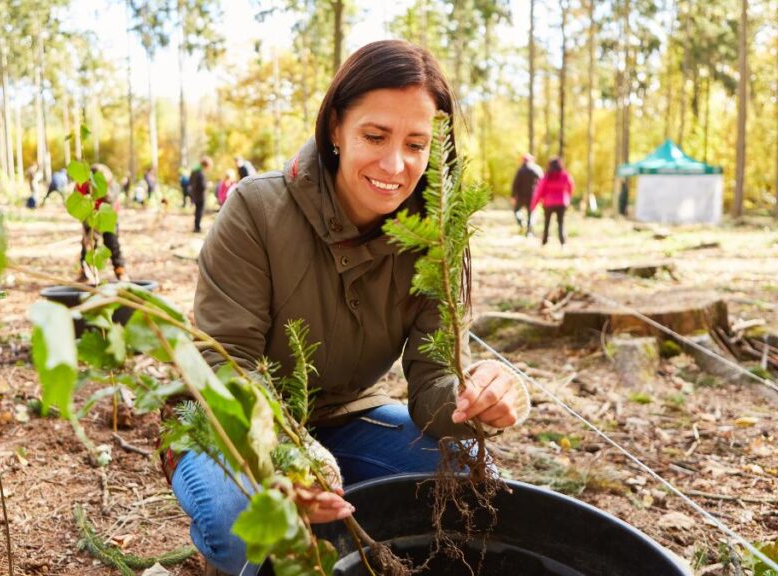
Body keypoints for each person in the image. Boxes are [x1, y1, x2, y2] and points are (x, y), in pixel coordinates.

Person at [168, 40, 531, 575]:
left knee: (470, 477)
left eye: (417, 143)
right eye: (375, 135)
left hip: (344, 415)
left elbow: (433, 385)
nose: (395, 163)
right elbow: (227, 366)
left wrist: (478, 399)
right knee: (241, 524)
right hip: (226, 421)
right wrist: (285, 458)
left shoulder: (436, 240)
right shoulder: (256, 210)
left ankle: (342, 515)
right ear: (336, 127)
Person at [76, 163, 129, 283]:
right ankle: (85, 272)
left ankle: (120, 270)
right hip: (89, 214)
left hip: (108, 214)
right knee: (87, 245)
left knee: (112, 242)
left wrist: (96, 232)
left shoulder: (112, 188)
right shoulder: (82, 186)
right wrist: (88, 233)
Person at [530, 157, 574, 246]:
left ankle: (544, 241)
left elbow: (540, 191)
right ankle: (562, 242)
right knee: (560, 223)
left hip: (548, 202)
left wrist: (533, 205)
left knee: (547, 222)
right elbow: (571, 186)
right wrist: (568, 197)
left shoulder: (547, 176)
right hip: (562, 202)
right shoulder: (565, 175)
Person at [511, 153, 543, 236]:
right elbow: (542, 182)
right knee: (531, 213)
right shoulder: (537, 169)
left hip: (521, 196)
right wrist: (541, 195)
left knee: (516, 210)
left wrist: (513, 196)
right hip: (532, 196)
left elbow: (515, 184)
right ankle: (528, 231)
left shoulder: (520, 170)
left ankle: (521, 223)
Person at [188, 156, 211, 233]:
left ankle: (196, 226)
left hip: (194, 194)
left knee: (197, 210)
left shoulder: (194, 171)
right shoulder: (200, 173)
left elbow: (190, 182)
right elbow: (203, 185)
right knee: (199, 211)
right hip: (200, 195)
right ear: (206, 165)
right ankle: (197, 227)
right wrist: (208, 185)